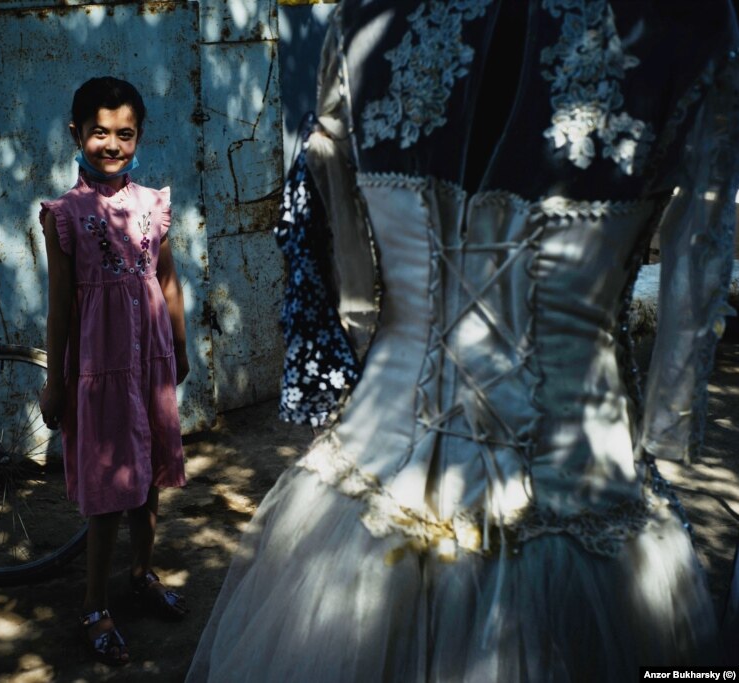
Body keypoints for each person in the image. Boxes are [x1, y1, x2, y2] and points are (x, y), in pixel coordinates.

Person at [188, 1, 739, 680]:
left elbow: (353, 283)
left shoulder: (361, 19)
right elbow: (699, 255)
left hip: (384, 473)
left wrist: (366, 338)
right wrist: (670, 419)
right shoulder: (687, 25)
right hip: (563, 493)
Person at [38, 76, 190, 666]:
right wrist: (56, 380)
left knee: (148, 481)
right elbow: (59, 306)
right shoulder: (65, 215)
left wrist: (179, 348)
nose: (112, 144)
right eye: (99, 132)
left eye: (124, 134)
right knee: (107, 495)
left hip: (148, 365)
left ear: (139, 136)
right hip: (98, 370)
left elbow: (168, 281)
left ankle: (142, 573)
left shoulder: (154, 204)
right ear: (76, 133)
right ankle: (94, 605)